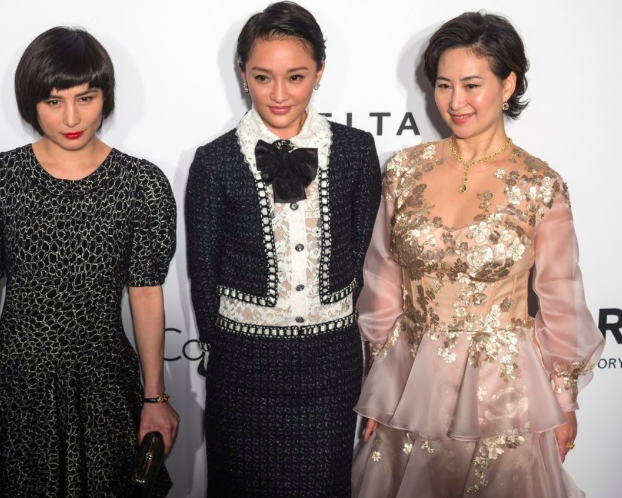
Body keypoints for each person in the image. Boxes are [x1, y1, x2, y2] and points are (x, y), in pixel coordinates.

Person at [351, 12, 604, 498]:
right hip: (414, 388)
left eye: (471, 85)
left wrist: (564, 400)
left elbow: (561, 297)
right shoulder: (404, 171)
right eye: (444, 85)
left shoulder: (539, 184)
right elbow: (383, 282)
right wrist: (382, 389)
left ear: (508, 84)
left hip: (506, 396)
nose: (455, 102)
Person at [185, 2, 381, 495]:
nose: (278, 94)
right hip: (241, 369)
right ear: (242, 73)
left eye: (295, 77)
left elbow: (369, 263)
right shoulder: (213, 161)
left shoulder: (356, 151)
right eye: (262, 77)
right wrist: (217, 352)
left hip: (331, 367)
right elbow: (203, 271)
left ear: (319, 72)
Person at [0, 27, 179, 496]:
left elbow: (145, 293)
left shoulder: (142, 184)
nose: (72, 117)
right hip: (16, 384)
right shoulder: (3, 179)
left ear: (105, 96)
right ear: (31, 103)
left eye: (86, 97)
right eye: (53, 101)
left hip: (104, 385)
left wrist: (154, 396)